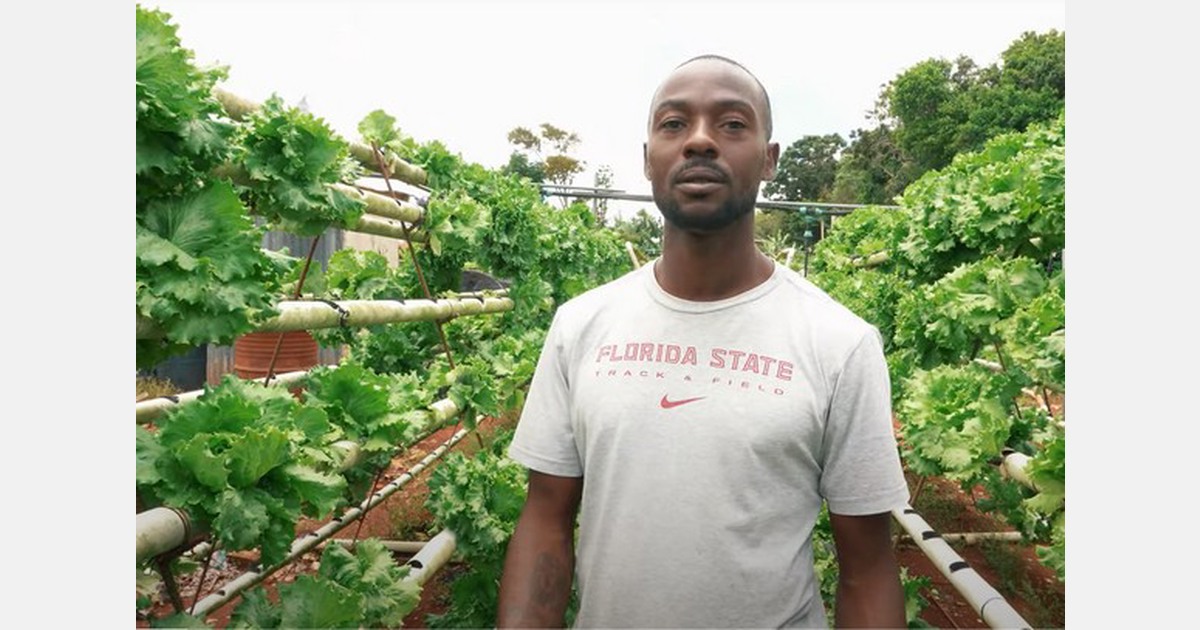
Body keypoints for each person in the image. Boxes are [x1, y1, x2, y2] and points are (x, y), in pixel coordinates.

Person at [497, 55, 910, 629]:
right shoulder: (581, 325)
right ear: (647, 160)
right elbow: (545, 519)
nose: (699, 141)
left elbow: (867, 568)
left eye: (732, 124)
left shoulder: (840, 343)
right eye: (673, 124)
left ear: (769, 160)